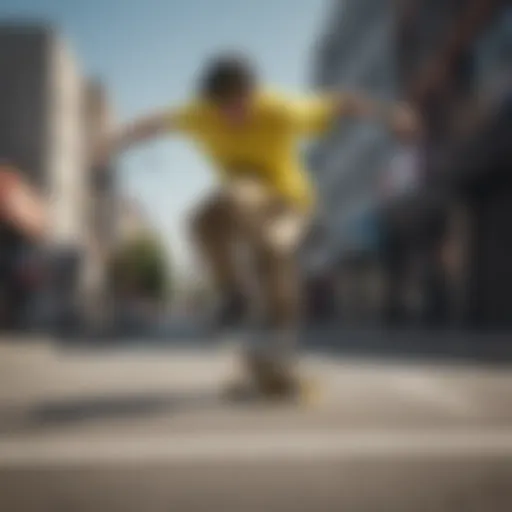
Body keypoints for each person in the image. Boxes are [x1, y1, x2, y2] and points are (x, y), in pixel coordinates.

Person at [98, 53, 420, 396]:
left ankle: (274, 335)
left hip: (291, 205)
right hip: (241, 208)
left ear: (254, 94)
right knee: (202, 219)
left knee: (265, 238)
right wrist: (113, 141)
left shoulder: (280, 109)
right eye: (224, 108)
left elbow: (340, 104)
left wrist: (390, 114)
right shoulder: (201, 114)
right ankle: (235, 296)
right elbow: (156, 123)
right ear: (211, 103)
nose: (232, 116)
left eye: (240, 105)